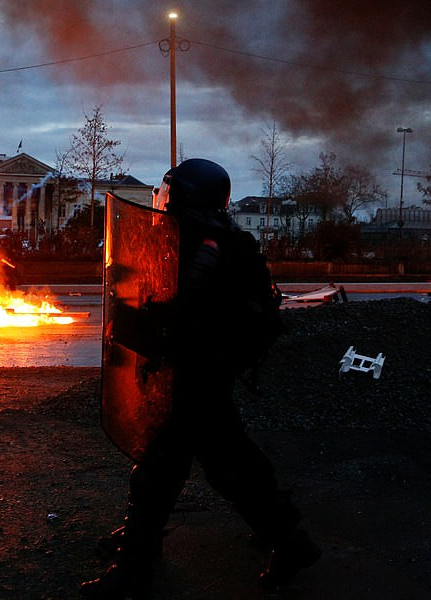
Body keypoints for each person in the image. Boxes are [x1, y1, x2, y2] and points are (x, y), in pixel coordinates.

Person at [81, 158, 320, 599]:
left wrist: (132, 322)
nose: (164, 198)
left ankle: (135, 567)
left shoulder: (205, 245)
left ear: (189, 195)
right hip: (200, 373)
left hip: (198, 374)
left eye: (171, 191)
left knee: (170, 470)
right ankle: (288, 539)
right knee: (224, 466)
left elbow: (181, 312)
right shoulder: (207, 237)